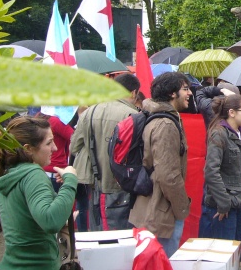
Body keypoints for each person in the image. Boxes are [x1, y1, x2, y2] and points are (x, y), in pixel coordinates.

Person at [0, 116, 77, 270]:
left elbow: (27, 218)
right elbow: (50, 221)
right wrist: (70, 181)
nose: (55, 148)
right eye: (49, 143)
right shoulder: (33, 174)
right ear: (28, 149)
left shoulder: (11, 172)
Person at [129, 72, 192, 258]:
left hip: (155, 206)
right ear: (173, 94)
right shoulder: (166, 123)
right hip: (161, 211)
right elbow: (168, 175)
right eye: (185, 89)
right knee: (164, 266)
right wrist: (182, 208)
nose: (190, 94)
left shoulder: (161, 117)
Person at [70, 73, 141, 230]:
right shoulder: (134, 116)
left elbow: (74, 147)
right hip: (123, 186)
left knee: (98, 235)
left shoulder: (89, 112)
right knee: (121, 239)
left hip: (95, 184)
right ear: (134, 92)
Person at [199, 94, 241, 265]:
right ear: (231, 112)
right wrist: (223, 203)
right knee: (224, 256)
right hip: (223, 207)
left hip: (239, 201)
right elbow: (211, 172)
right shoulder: (218, 133)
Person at [37, 111, 74, 193]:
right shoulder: (56, 121)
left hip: (42, 170)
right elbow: (76, 138)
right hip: (56, 173)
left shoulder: (38, 116)